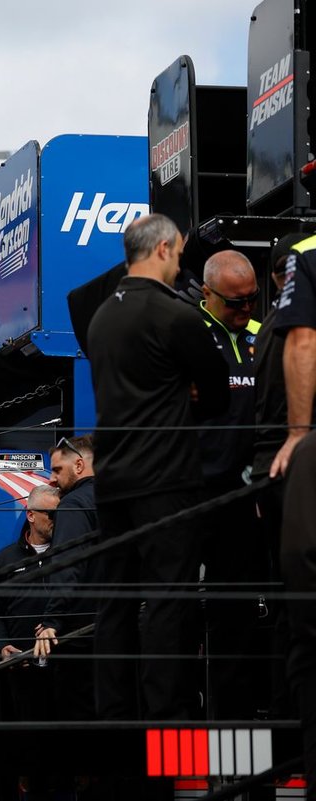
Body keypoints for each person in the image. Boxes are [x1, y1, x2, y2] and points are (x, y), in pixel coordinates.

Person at [86, 213, 229, 720]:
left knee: (116, 603)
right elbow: (216, 396)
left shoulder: (102, 316)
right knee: (170, 600)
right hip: (166, 479)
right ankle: (167, 717)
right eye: (181, 251)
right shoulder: (176, 315)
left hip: (113, 482)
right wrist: (182, 395)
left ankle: (115, 717)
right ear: (165, 248)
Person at [195, 249, 265, 719]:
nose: (245, 311)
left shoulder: (267, 338)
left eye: (252, 301)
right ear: (207, 294)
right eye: (235, 303)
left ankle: (238, 731)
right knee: (175, 615)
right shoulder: (186, 335)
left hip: (248, 499)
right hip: (191, 497)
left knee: (238, 615)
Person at [253, 233, 308, 719]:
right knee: (298, 608)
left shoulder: (267, 329)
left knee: (286, 601)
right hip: (293, 465)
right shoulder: (294, 330)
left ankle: (285, 707)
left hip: (269, 469)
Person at [268, 232, 316, 795]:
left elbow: (303, 339)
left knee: (305, 625)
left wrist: (299, 436)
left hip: (307, 462)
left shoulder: (309, 253)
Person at [35, 435, 99, 720]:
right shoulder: (117, 499)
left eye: (57, 470)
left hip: (82, 631)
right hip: (122, 625)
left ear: (79, 465)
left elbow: (68, 564)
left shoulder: (74, 504)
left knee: (76, 715)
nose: (51, 478)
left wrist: (52, 620)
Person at [0, 485, 59, 721]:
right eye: (51, 514)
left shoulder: (69, 553)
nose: (56, 520)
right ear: (31, 515)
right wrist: (2, 645)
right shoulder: (5, 558)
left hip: (65, 665)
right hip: (22, 667)